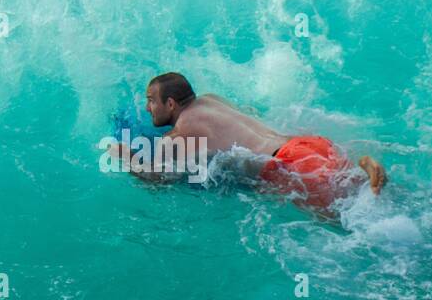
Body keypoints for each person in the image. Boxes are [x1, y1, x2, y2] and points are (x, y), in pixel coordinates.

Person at [107, 72, 387, 212]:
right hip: (308, 144)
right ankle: (364, 165)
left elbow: (159, 179)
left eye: (151, 101)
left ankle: (365, 178)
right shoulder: (211, 99)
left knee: (349, 219)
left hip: (287, 164)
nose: (147, 108)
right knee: (368, 194)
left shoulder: (178, 135)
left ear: (170, 103)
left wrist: (124, 156)